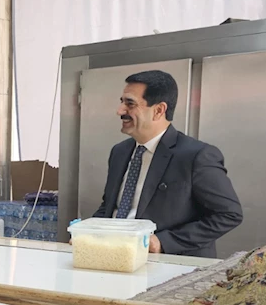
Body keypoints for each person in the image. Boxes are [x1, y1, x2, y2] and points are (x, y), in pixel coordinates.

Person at [92, 70, 242, 258]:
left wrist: (163, 242)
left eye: (130, 103)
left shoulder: (196, 156)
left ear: (159, 110)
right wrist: (90, 233)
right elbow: (109, 206)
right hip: (117, 257)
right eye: (121, 102)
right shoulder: (119, 152)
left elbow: (228, 214)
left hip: (171, 266)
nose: (120, 111)